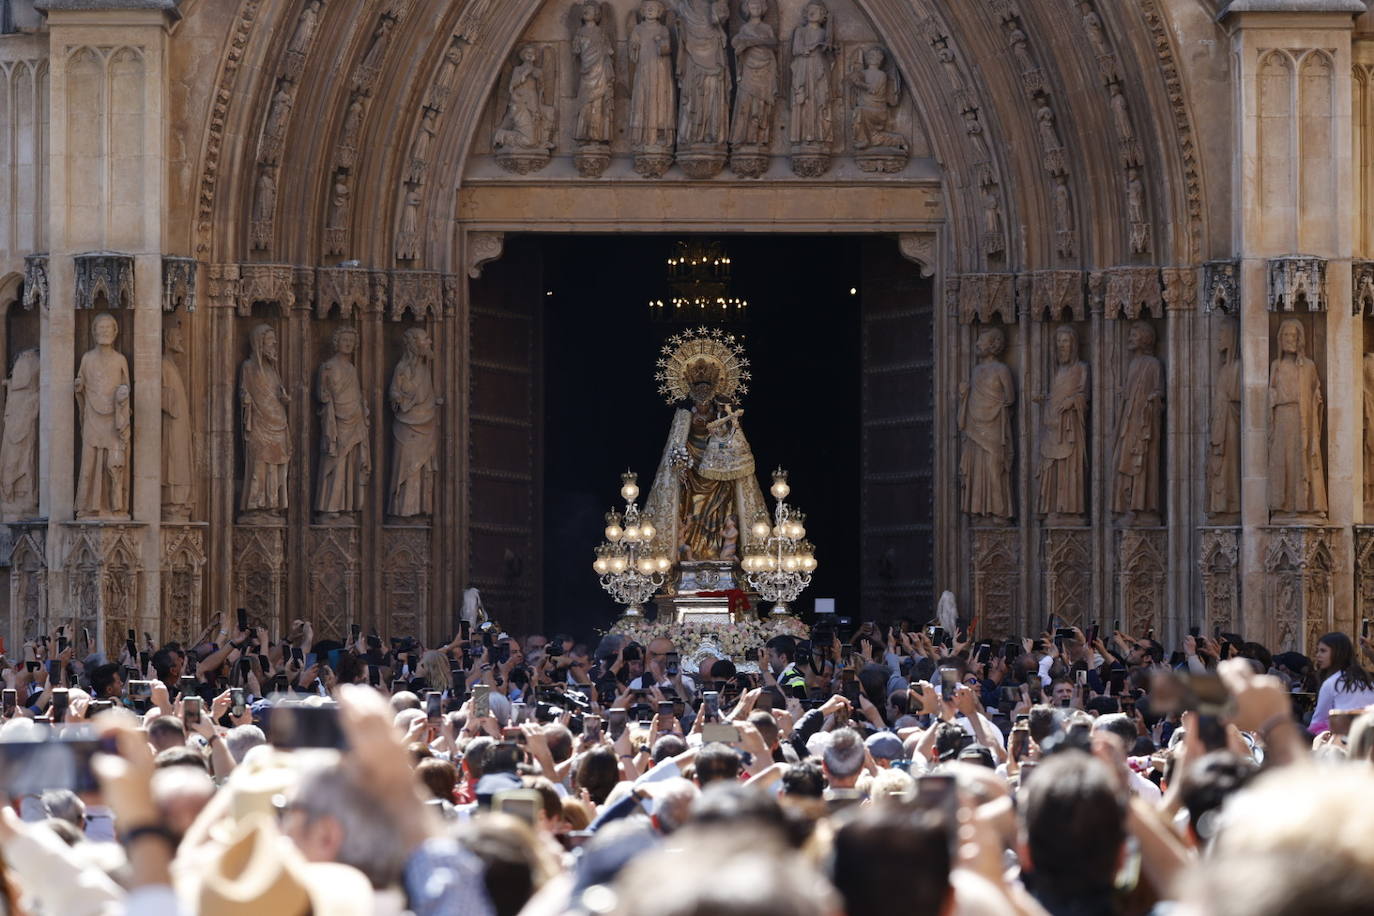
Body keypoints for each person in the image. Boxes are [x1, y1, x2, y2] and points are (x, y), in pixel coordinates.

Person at [1308, 631, 1374, 735]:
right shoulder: (1366, 679)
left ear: (1337, 653)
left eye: (1323, 651)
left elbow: (1317, 723)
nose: (1318, 655)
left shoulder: (1331, 683)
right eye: (1317, 651)